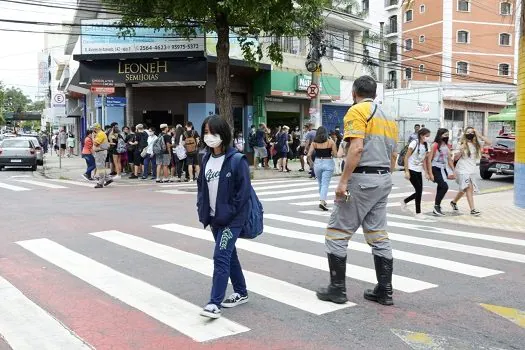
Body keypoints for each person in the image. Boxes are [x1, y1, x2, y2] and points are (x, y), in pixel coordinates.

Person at [316, 76, 398, 306]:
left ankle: (337, 289)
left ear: (354, 93)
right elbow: (394, 157)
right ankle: (385, 290)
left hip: (362, 179)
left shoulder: (356, 111)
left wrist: (343, 182)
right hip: (383, 180)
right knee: (378, 235)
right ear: (375, 93)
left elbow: (357, 148)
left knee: (336, 233)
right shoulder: (389, 118)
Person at [197, 115, 251, 319]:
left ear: (224, 134)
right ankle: (241, 292)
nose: (209, 136)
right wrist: (202, 208)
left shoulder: (237, 160)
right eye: (206, 132)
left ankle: (214, 303)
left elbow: (243, 193)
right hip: (213, 218)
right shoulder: (206, 158)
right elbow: (202, 187)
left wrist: (229, 213)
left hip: (232, 219)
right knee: (229, 256)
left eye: (213, 132)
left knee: (221, 256)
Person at [451, 127, 491, 216]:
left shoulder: (476, 144)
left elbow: (489, 143)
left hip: (471, 170)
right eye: (468, 132)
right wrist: (460, 151)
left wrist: (478, 134)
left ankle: (453, 202)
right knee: (469, 188)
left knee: (463, 190)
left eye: (471, 132)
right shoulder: (460, 144)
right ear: (465, 134)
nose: (470, 134)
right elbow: (455, 158)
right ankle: (473, 210)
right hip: (462, 169)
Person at [401, 128, 433, 218]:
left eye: (429, 136)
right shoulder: (414, 143)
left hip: (418, 170)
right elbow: (406, 157)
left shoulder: (427, 145)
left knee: (419, 191)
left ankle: (404, 201)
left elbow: (424, 161)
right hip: (411, 169)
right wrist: (406, 171)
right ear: (421, 135)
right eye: (426, 136)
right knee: (419, 190)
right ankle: (418, 213)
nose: (428, 138)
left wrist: (426, 173)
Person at [307, 126, 337, 211]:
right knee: (325, 184)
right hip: (328, 162)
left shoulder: (314, 143)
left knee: (320, 183)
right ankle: (322, 201)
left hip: (317, 162)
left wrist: (311, 163)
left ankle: (322, 199)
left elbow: (309, 155)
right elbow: (335, 155)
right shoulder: (330, 142)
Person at [430, 128, 455, 216]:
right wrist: (429, 173)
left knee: (440, 187)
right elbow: (429, 159)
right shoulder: (435, 145)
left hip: (443, 168)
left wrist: (453, 170)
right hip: (435, 168)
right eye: (444, 135)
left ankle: (437, 207)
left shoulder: (447, 146)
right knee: (444, 186)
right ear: (440, 135)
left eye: (448, 135)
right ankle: (436, 206)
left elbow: (449, 160)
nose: (446, 136)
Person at [91, 123, 113, 189]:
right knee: (101, 167)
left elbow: (96, 143)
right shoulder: (100, 134)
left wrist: (93, 137)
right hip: (100, 152)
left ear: (96, 128)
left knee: (100, 168)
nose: (93, 129)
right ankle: (108, 179)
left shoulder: (100, 134)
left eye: (93, 128)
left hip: (100, 152)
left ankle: (100, 183)